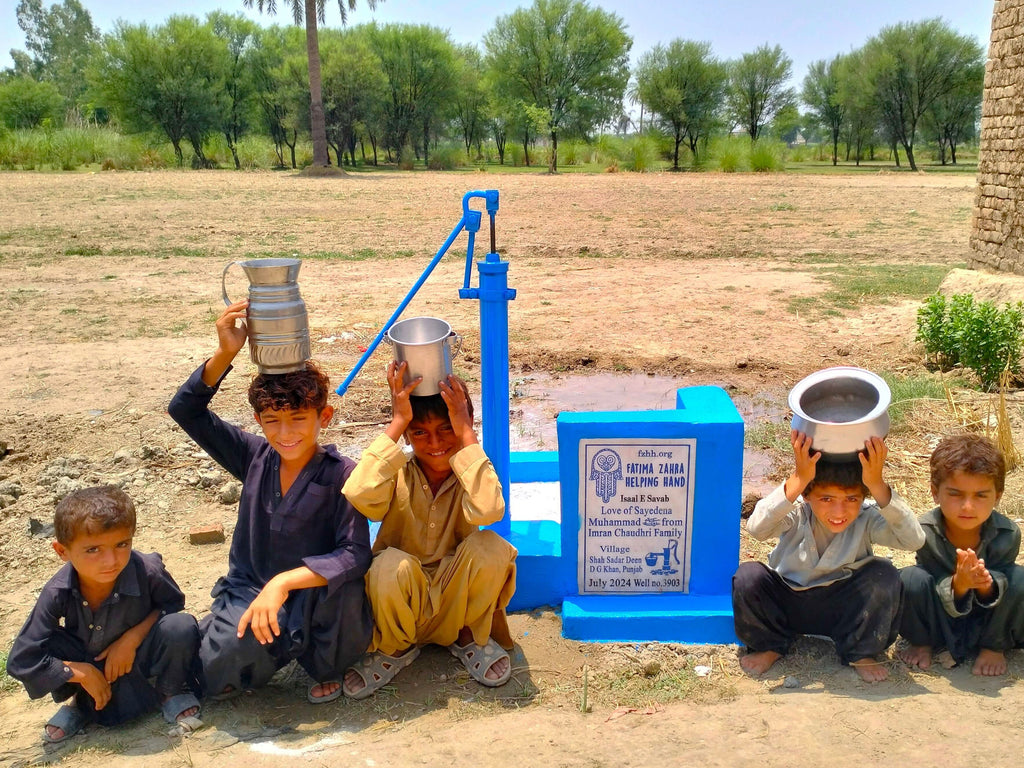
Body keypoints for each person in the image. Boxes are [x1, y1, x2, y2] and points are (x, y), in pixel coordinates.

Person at [168, 299, 372, 704]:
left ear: (323, 417)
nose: (286, 433)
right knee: (219, 669)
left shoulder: (343, 472)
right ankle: (209, 635)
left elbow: (354, 554)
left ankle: (320, 662)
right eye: (272, 421)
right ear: (258, 421)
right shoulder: (253, 456)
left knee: (348, 595)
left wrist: (283, 583)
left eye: (298, 418)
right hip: (250, 589)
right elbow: (186, 410)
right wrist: (226, 353)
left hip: (312, 597)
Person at [340, 360, 517, 699]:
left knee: (492, 547)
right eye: (419, 431)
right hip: (403, 599)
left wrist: (466, 434)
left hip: (456, 598)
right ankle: (394, 647)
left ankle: (467, 635)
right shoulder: (399, 471)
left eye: (446, 429)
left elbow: (490, 509)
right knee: (389, 564)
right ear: (407, 435)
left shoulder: (469, 471)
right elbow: (360, 494)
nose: (435, 443)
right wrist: (398, 420)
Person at [6, 486, 201, 743]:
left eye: (122, 544)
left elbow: (172, 605)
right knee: (48, 641)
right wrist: (78, 672)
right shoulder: (57, 592)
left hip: (137, 657)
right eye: (93, 550)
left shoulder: (147, 570)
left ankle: (170, 691)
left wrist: (131, 639)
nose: (111, 560)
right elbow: (21, 660)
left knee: (180, 626)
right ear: (62, 551)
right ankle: (80, 703)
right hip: (89, 659)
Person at [732, 431, 925, 682]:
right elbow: (757, 529)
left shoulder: (866, 519)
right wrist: (799, 478)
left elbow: (914, 540)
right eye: (826, 498)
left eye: (851, 498)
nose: (839, 511)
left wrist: (877, 484)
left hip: (843, 610)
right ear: (807, 495)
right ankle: (771, 645)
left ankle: (860, 652)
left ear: (863, 497)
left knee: (884, 573)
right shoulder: (797, 514)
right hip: (788, 603)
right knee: (748, 576)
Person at [899, 433, 1024, 676]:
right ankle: (922, 643)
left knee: (1019, 578)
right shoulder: (925, 533)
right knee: (909, 578)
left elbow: (1006, 594)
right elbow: (927, 587)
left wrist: (983, 584)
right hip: (940, 621)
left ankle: (993, 648)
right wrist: (959, 584)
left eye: (980, 495)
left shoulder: (1007, 534)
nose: (967, 506)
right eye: (955, 494)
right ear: (935, 492)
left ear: (997, 497)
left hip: (989, 622)